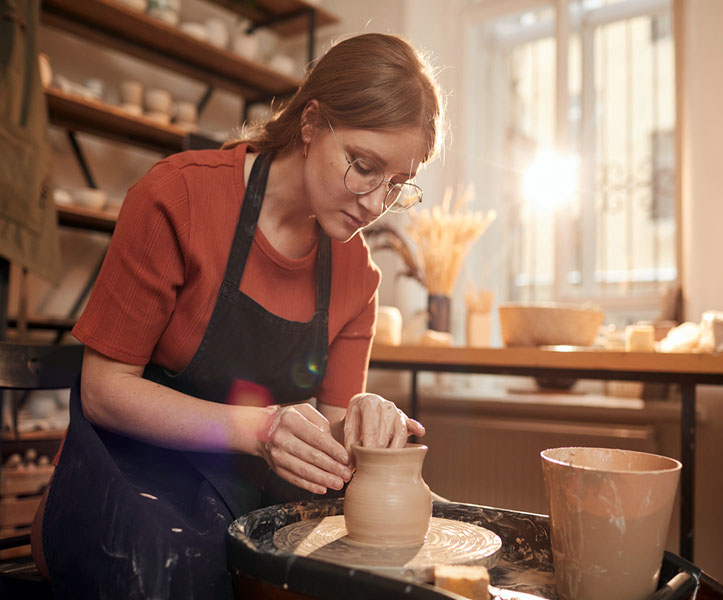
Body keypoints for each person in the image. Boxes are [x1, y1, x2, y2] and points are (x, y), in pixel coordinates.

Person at [32, 32, 444, 599]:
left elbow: (327, 428)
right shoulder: (177, 199)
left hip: (250, 492)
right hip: (132, 479)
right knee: (176, 574)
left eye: (397, 186)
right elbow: (104, 390)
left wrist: (361, 420)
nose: (375, 203)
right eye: (363, 166)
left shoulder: (358, 274)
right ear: (310, 122)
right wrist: (258, 428)